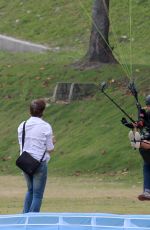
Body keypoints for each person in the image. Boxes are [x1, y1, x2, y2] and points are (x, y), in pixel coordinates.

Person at [18, 99, 55, 213]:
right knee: (37, 195)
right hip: (39, 163)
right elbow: (50, 149)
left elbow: (23, 143)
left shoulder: (22, 125)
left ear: (30, 111)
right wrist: (53, 141)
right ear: (42, 112)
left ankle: (24, 218)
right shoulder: (45, 127)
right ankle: (32, 221)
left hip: (25, 162)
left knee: (30, 190)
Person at [122, 95, 150, 201]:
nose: (148, 108)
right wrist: (131, 125)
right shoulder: (146, 114)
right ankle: (147, 192)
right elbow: (140, 123)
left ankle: (138, 142)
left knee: (147, 165)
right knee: (147, 165)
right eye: (147, 105)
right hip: (146, 141)